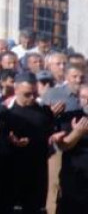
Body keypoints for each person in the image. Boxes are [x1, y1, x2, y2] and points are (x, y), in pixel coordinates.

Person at [0, 72, 55, 214]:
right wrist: (8, 139)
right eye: (27, 94)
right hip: (9, 168)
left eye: (34, 93)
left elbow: (49, 134)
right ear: (15, 90)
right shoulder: (3, 111)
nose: (32, 98)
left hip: (35, 168)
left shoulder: (44, 110)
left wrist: (32, 140)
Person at [50, 84, 88, 214]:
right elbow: (64, 146)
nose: (87, 101)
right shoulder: (70, 117)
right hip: (74, 177)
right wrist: (77, 133)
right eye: (83, 97)